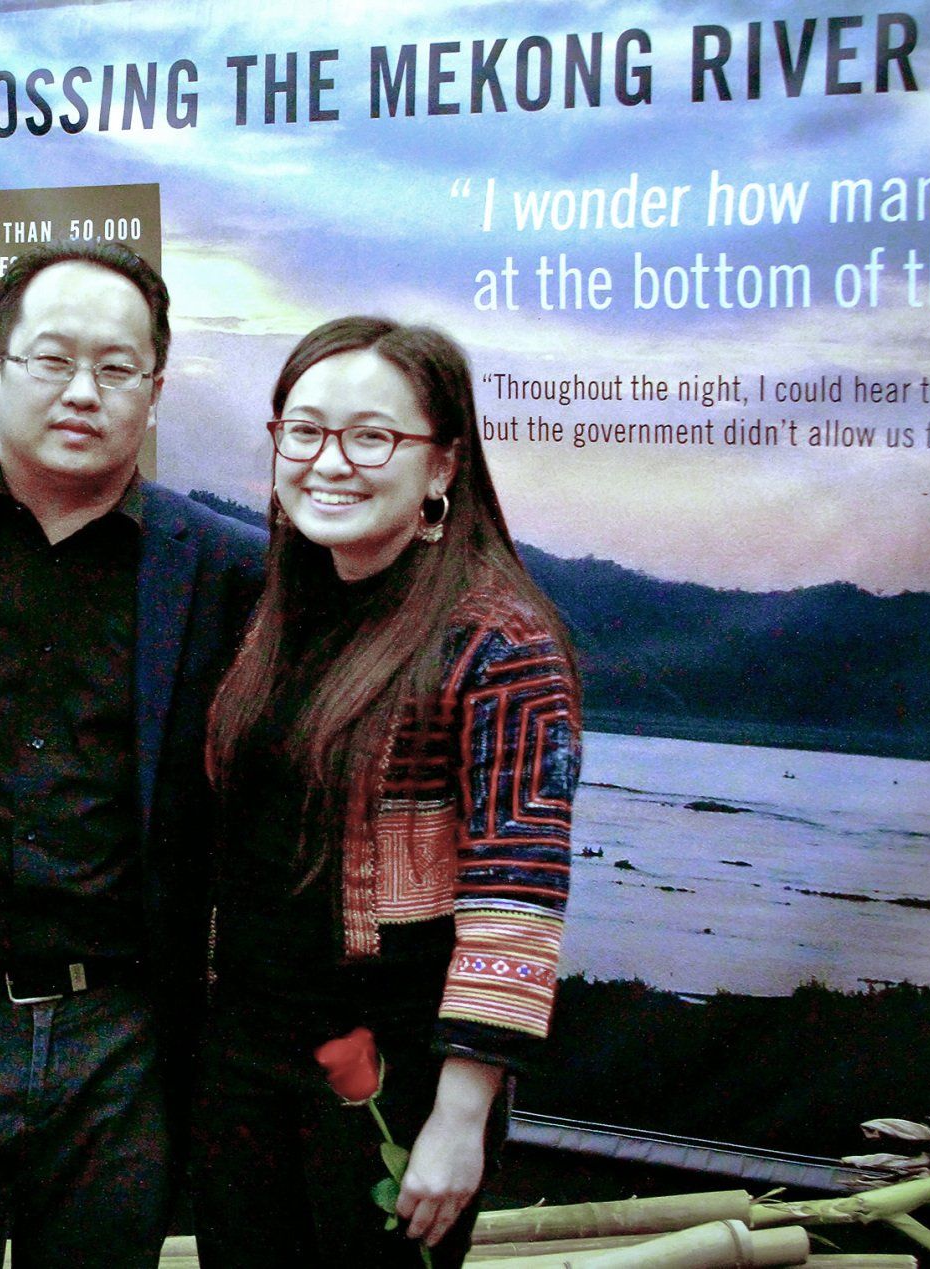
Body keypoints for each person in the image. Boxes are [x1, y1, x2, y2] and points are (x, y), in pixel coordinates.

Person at [0, 241, 267, 1268]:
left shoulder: (227, 570)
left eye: (117, 368)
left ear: (155, 392)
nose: (84, 391)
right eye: (53, 360)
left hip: (120, 1047)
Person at [193, 318, 582, 1268]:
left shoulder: (499, 640)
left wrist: (461, 1117)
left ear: (443, 462)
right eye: (304, 431)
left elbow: (516, 894)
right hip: (245, 1057)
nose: (330, 462)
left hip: (396, 1075)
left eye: (372, 436)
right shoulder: (276, 606)